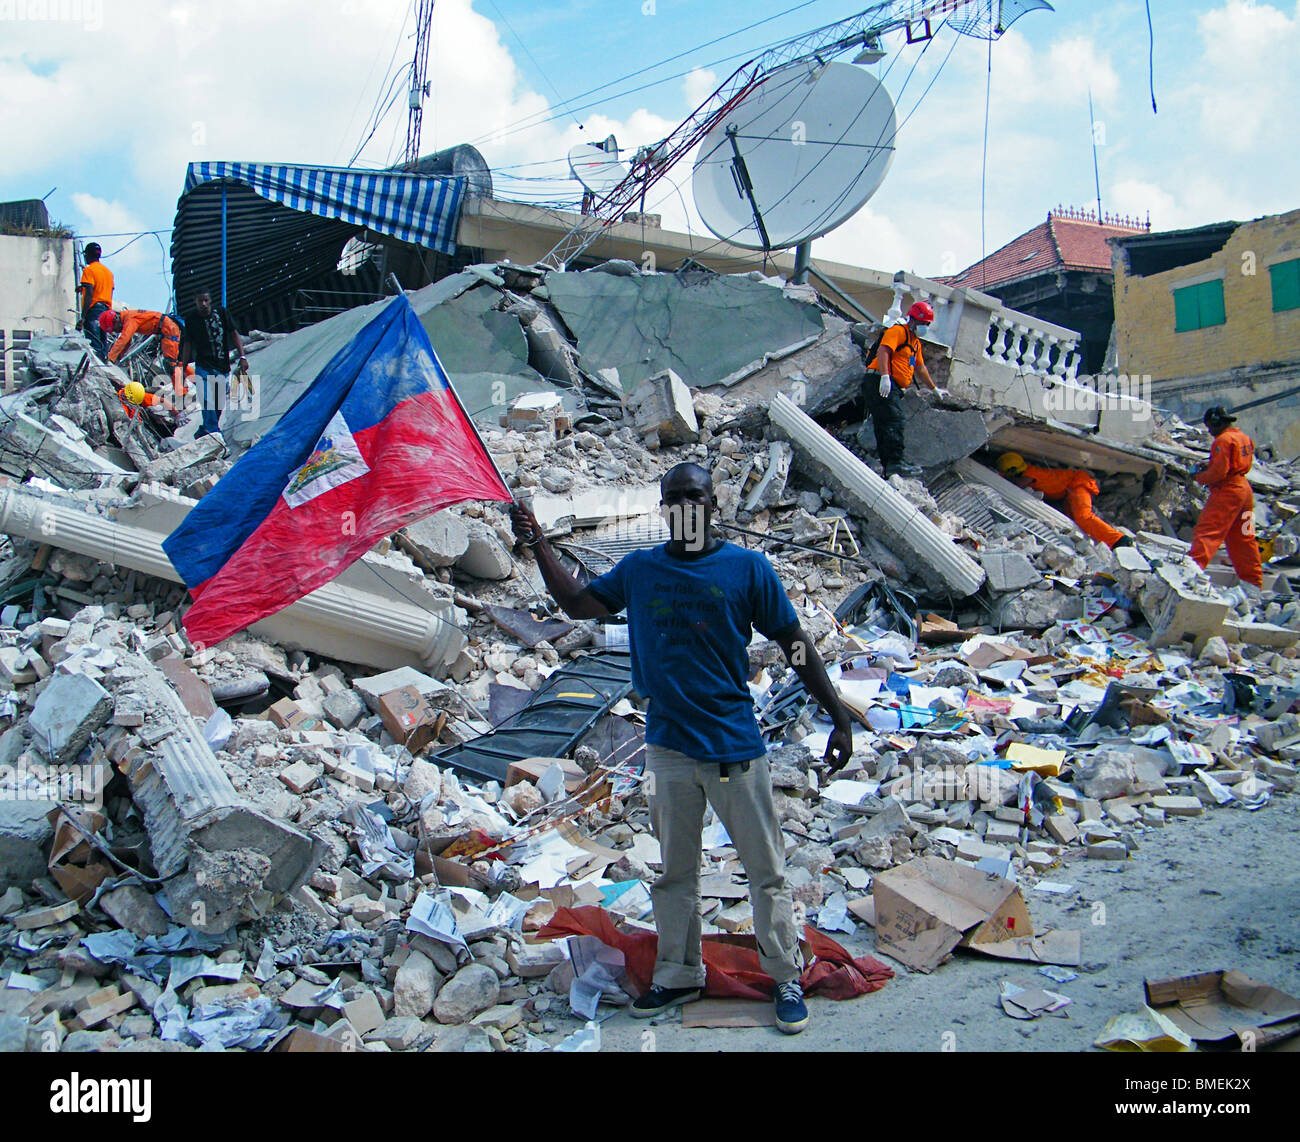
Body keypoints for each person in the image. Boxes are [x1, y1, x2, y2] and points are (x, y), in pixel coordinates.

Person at [510, 464, 855, 1035]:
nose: (685, 506)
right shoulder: (643, 568)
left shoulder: (747, 568)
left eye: (694, 496)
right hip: (668, 748)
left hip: (733, 747)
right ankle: (677, 974)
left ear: (713, 503)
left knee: (764, 871)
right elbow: (576, 605)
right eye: (674, 498)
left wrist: (837, 715)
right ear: (664, 507)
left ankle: (784, 975)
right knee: (675, 874)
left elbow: (793, 643)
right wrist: (539, 543)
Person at [862, 301, 940, 479]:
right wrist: (885, 376)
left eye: (927, 324)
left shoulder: (915, 343)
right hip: (879, 381)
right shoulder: (898, 332)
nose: (924, 327)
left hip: (891, 386)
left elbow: (920, 368)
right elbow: (883, 351)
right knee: (894, 420)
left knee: (885, 424)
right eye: (923, 324)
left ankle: (889, 466)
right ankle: (895, 463)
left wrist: (934, 389)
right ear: (913, 320)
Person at [1189, 406, 1262, 588]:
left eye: (1210, 426)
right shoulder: (1244, 438)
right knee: (1245, 537)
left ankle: (1190, 574)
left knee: (1207, 533)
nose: (1209, 431)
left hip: (1227, 492)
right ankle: (1253, 583)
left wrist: (1198, 477)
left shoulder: (1223, 441)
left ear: (1216, 423)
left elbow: (1218, 473)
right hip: (1245, 492)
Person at [996, 452, 1128, 548]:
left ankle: (1119, 540)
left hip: (1076, 483)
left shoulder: (1030, 473)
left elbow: (1018, 484)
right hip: (1067, 493)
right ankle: (1101, 545)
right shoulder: (1026, 472)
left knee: (1084, 516)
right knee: (1075, 525)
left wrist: (999, 479)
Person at [179, 290, 246, 438]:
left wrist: (242, 356)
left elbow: (234, 333)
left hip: (222, 366)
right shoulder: (191, 319)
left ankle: (205, 430)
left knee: (218, 404)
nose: (203, 304)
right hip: (203, 366)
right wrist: (183, 366)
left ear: (210, 301)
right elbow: (188, 343)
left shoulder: (221, 313)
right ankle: (213, 433)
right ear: (195, 302)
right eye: (200, 301)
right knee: (207, 400)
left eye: (205, 300)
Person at [101, 308, 183, 374]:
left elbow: (124, 339)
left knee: (171, 364)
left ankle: (183, 390)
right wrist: (118, 358)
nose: (117, 331)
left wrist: (110, 358)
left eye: (115, 329)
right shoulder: (127, 317)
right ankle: (191, 379)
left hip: (168, 329)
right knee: (173, 364)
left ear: (116, 320)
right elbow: (127, 343)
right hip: (166, 328)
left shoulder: (130, 319)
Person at [77, 243, 114, 359]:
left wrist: (83, 316)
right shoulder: (108, 272)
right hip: (107, 311)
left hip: (94, 310)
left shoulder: (89, 270)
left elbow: (90, 292)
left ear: (88, 254)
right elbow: (106, 289)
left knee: (94, 344)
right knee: (103, 345)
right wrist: (82, 288)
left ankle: (97, 371)